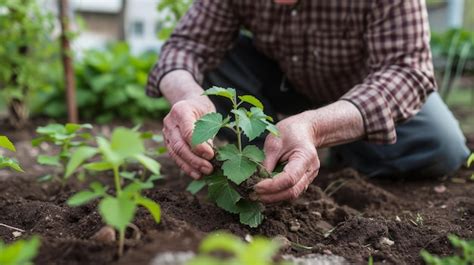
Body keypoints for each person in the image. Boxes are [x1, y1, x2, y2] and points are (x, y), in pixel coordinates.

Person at [146, 0, 470, 203]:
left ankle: (342, 146)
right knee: (212, 63)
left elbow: (408, 71)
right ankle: (263, 163)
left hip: (359, 91)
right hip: (283, 80)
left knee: (440, 145)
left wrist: (317, 126)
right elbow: (185, 46)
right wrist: (187, 96)